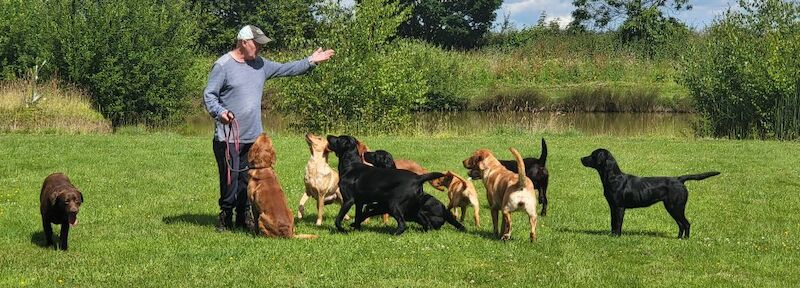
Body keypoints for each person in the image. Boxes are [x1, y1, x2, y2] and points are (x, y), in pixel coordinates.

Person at [203, 25, 335, 232]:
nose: (260, 49)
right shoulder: (223, 65)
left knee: (248, 180)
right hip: (228, 136)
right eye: (257, 44)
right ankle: (225, 218)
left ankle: (243, 216)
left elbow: (286, 68)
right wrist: (220, 112)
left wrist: (310, 61)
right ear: (243, 42)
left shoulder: (260, 65)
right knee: (230, 180)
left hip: (253, 138)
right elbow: (209, 95)